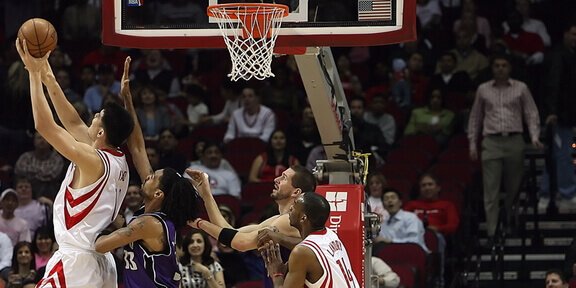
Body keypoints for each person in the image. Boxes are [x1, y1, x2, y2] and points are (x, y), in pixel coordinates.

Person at [16, 39, 134, 288]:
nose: (92, 117)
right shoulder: (118, 159)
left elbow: (45, 127)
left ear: (101, 134)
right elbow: (71, 122)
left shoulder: (93, 160)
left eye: (98, 117)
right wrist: (47, 73)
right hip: (101, 262)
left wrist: (33, 76)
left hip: (77, 261)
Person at [94, 56, 199, 288]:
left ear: (159, 194)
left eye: (153, 176)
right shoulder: (152, 215)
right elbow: (138, 147)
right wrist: (128, 100)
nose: (147, 175)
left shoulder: (149, 224)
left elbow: (100, 245)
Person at [467, 54, 542, 238]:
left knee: (514, 188)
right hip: (491, 141)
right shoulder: (483, 89)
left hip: (514, 139)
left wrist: (534, 136)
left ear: (509, 68)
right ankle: (492, 232)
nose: (500, 68)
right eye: (497, 65)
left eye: (504, 65)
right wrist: (472, 144)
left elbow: (531, 112)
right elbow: (476, 117)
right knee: (490, 190)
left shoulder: (520, 88)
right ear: (492, 68)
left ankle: (510, 222)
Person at [186, 165, 316, 252]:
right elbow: (231, 233)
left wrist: (200, 223)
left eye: (284, 178)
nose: (276, 179)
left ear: (296, 192)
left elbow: (241, 243)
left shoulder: (288, 221)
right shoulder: (279, 219)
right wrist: (207, 195)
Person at [259, 192, 360, 287]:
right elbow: (305, 248)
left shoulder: (302, 252)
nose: (290, 208)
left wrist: (276, 274)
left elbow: (302, 251)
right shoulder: (330, 235)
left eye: (294, 205)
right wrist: (279, 238)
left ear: (303, 218)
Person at [540, 22, 576, 205]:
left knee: (558, 153)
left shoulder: (571, 56)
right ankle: (566, 192)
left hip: (570, 115)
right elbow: (553, 85)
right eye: (573, 34)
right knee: (564, 154)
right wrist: (552, 111)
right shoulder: (559, 56)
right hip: (561, 116)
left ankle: (547, 192)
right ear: (565, 34)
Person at [375, 188, 429, 252]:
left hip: (415, 254)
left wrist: (391, 241)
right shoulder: (383, 224)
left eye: (393, 198)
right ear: (383, 205)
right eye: (386, 199)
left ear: (400, 202)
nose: (389, 201)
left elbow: (415, 241)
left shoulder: (411, 218)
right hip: (393, 255)